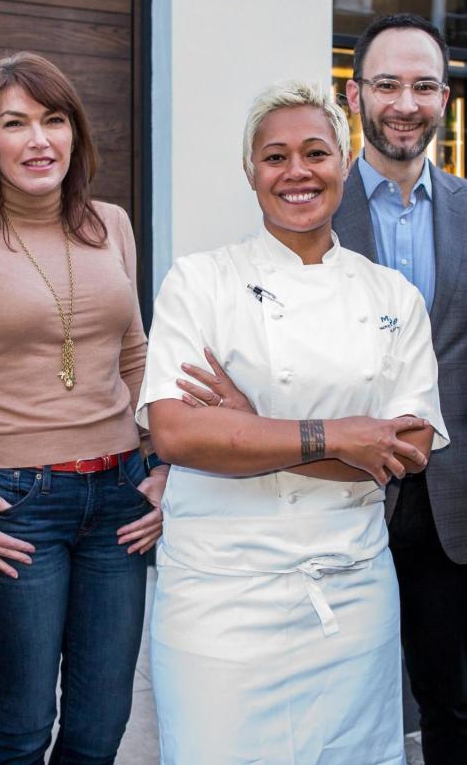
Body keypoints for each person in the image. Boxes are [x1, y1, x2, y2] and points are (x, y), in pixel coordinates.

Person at [139, 79, 447, 765]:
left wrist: (249, 429)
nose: (297, 172)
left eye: (316, 152)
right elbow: (179, 435)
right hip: (220, 603)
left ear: (344, 162)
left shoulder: (390, 294)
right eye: (275, 157)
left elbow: (409, 450)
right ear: (251, 172)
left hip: (352, 594)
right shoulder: (199, 282)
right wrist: (338, 437)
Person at [0, 51, 165, 765]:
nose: (38, 140)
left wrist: (164, 462)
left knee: (101, 722)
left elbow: (136, 353)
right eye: (15, 123)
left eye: (54, 120)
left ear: (76, 134)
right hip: (11, 500)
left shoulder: (110, 223)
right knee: (23, 723)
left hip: (119, 497)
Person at [331, 12, 467, 765]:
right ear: (354, 96)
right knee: (341, 698)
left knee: (453, 702)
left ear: (445, 97)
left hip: (454, 505)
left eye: (423, 85)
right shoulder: (311, 208)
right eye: (387, 84)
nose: (404, 103)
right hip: (336, 495)